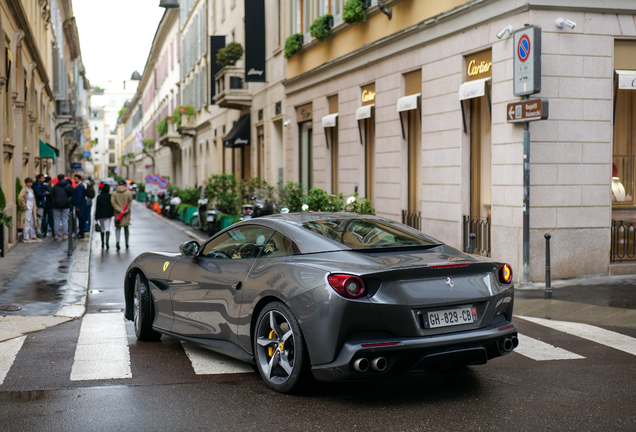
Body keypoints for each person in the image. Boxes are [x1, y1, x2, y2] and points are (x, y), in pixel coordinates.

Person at [111, 179, 133, 250]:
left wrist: (119, 209)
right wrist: (125, 210)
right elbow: (130, 203)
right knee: (126, 228)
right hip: (126, 214)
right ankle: (127, 243)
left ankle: (117, 242)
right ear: (125, 185)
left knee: (118, 228)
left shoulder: (114, 193)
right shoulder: (129, 193)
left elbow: (113, 202)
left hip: (118, 214)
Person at [18, 178, 40, 243]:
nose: (30, 184)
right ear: (26, 183)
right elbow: (20, 197)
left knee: (33, 222)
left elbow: (33, 199)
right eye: (29, 182)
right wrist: (25, 205)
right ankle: (26, 237)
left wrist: (34, 206)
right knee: (27, 222)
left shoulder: (31, 190)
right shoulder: (24, 190)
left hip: (32, 208)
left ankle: (33, 236)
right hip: (27, 209)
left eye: (31, 182)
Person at [52, 174, 74, 240]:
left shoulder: (55, 187)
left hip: (56, 205)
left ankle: (56, 234)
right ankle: (65, 234)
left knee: (56, 220)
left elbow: (52, 195)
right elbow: (72, 193)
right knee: (65, 219)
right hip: (66, 204)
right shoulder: (68, 186)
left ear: (58, 179)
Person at [95, 183, 114, 249]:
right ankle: (107, 242)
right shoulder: (110, 196)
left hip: (100, 215)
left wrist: (96, 216)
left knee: (102, 228)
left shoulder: (99, 197)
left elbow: (97, 207)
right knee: (107, 228)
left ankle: (102, 242)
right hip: (108, 214)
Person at [72, 174, 88, 239]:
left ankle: (81, 233)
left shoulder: (80, 186)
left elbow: (79, 196)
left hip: (81, 206)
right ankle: (81, 232)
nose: (75, 180)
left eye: (76, 179)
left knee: (81, 219)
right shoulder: (80, 186)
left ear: (79, 179)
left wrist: (78, 206)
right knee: (80, 219)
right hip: (81, 205)